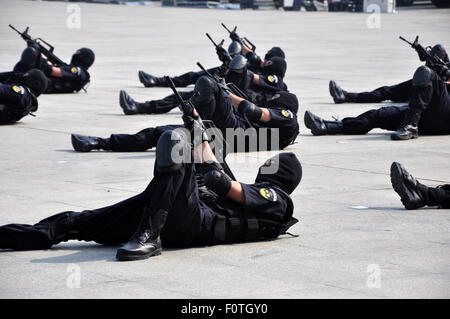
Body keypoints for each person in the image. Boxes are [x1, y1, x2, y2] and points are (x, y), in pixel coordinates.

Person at [0, 117, 302, 261]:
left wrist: (201, 143)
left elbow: (218, 182)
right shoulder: (263, 200)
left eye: (273, 164)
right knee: (73, 223)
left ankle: (150, 235)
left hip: (195, 223)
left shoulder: (277, 200)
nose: (267, 165)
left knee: (175, 140)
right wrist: (199, 130)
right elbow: (211, 178)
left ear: (282, 175)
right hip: (185, 209)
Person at [72, 76, 299, 152]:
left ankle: (194, 111)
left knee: (208, 84)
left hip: (236, 133)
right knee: (159, 134)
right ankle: (100, 143)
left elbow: (251, 110)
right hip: (227, 136)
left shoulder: (288, 118)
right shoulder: (281, 132)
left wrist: (225, 92)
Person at [304, 65, 450, 140]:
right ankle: (326, 126)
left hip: (445, 112)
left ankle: (411, 125)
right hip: (423, 112)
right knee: (377, 115)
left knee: (424, 72)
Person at [120, 54, 288, 116]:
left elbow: (250, 76)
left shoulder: (276, 81)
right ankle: (156, 85)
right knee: (197, 79)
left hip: (238, 103)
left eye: (268, 61)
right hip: (234, 96)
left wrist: (234, 67)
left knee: (190, 94)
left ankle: (140, 107)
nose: (264, 61)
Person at [329, 44, 449, 104]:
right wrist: (419, 49)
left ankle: (346, 96)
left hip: (433, 98)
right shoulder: (435, 65)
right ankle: (346, 96)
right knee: (386, 91)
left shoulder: (446, 68)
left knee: (387, 97)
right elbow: (426, 66)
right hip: (421, 88)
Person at [138, 45, 285, 88]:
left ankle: (144, 106)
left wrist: (231, 63)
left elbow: (247, 73)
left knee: (186, 95)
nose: (266, 55)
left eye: (269, 55)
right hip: (227, 76)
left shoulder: (271, 79)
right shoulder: (259, 67)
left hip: (229, 87)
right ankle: (158, 81)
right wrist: (226, 57)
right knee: (193, 76)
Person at [0, 41, 94, 94]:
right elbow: (52, 66)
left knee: (32, 52)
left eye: (77, 53)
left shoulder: (80, 72)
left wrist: (38, 53)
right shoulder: (72, 69)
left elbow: (51, 70)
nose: (74, 54)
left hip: (37, 83)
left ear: (84, 58)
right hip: (36, 81)